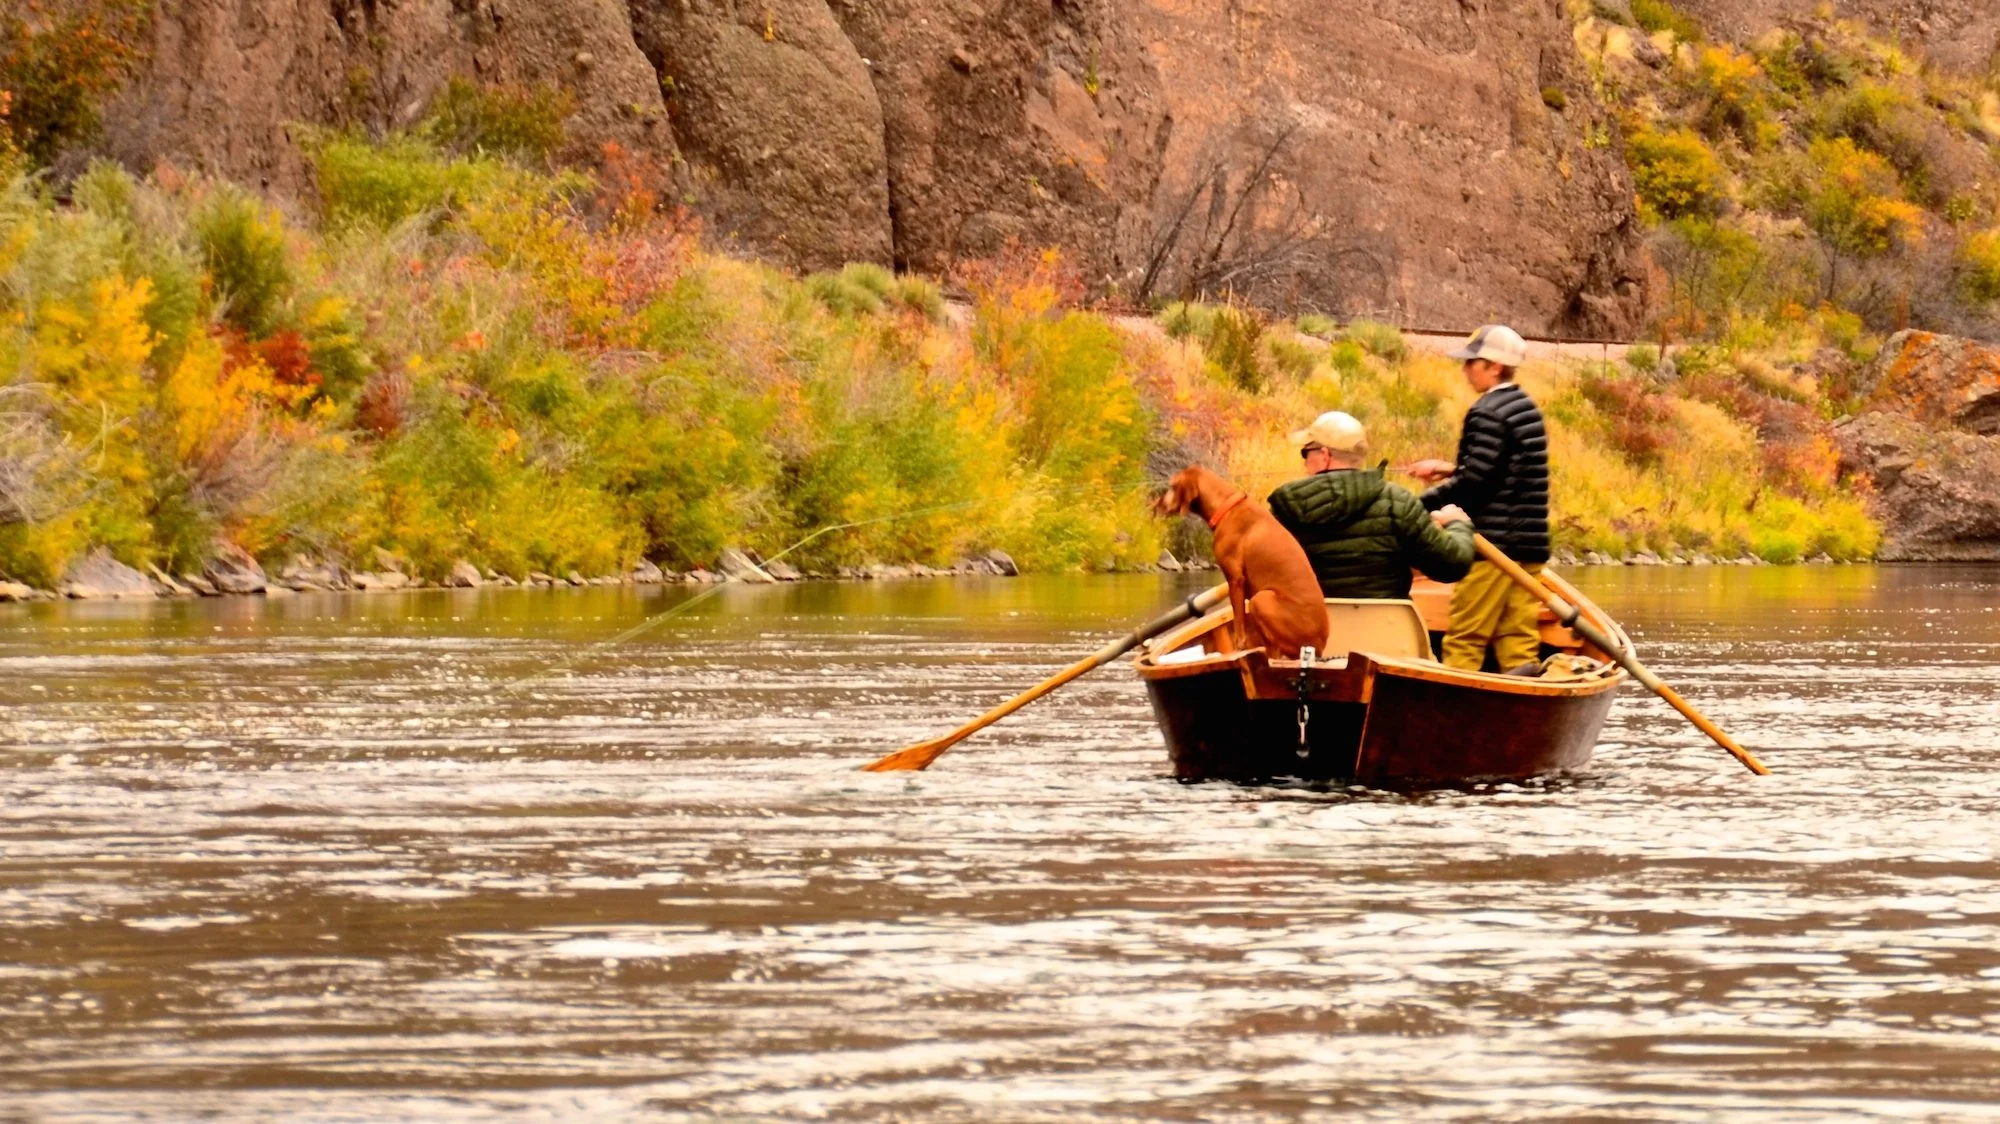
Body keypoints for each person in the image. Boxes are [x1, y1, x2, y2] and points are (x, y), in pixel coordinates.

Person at [1405, 324, 1551, 674]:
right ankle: (1525, 697)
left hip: (1493, 549)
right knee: (1517, 637)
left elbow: (1473, 483)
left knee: (1465, 637)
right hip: (1529, 546)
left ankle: (1459, 699)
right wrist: (1447, 469)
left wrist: (1415, 507)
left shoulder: (1487, 411)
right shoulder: (1525, 406)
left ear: (1494, 367)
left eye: (1472, 363)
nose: (1465, 369)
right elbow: (1505, 470)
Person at [1267, 410, 1475, 600]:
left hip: (1313, 627)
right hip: (1388, 627)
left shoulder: (1286, 508)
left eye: (1305, 453)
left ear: (1324, 456)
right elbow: (1451, 567)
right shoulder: (1397, 502)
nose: (1304, 461)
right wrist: (1458, 525)